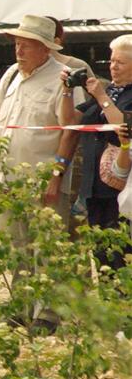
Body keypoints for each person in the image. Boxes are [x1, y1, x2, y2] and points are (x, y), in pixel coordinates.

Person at [0, 14, 75, 230]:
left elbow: (70, 132)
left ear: (45, 49)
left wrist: (56, 178)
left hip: (43, 186)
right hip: (6, 183)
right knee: (13, 253)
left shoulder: (64, 78)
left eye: (26, 46)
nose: (19, 51)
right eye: (17, 44)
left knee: (47, 256)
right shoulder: (10, 75)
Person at [63, 34, 131, 271]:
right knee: (100, 257)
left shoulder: (119, 95)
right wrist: (67, 92)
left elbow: (124, 127)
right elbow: (70, 121)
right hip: (94, 186)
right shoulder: (108, 90)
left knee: (120, 257)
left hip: (120, 191)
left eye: (120, 62)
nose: (113, 67)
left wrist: (101, 96)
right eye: (111, 61)